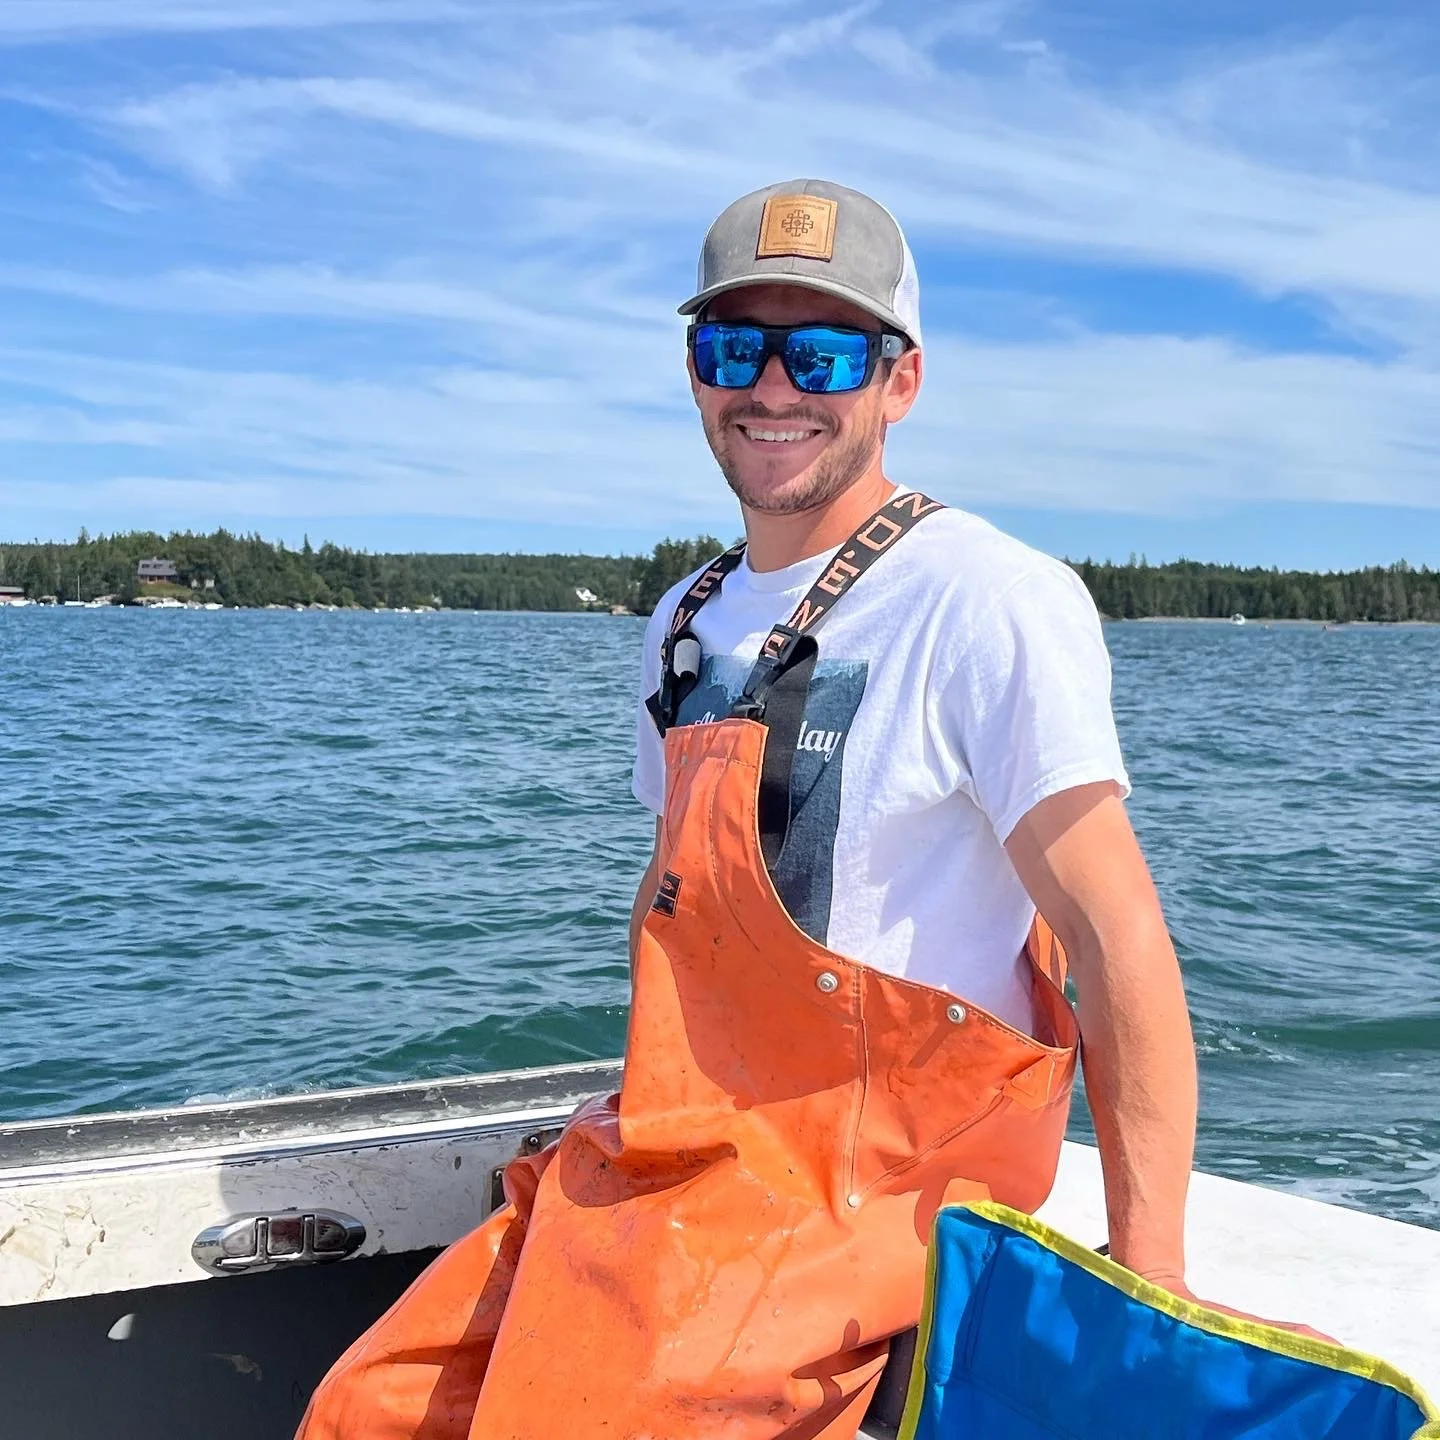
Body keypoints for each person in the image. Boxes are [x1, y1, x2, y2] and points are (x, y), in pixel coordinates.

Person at [298, 179, 1307, 1440]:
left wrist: (1148, 1275)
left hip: (882, 1189)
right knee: (369, 1407)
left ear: (900, 380)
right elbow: (675, 899)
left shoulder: (989, 600)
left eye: (822, 352)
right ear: (695, 373)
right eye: (737, 348)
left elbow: (1115, 939)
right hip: (689, 1158)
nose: (774, 388)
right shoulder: (683, 619)